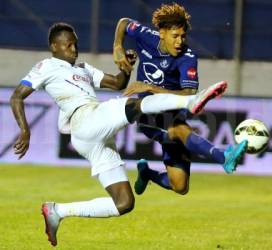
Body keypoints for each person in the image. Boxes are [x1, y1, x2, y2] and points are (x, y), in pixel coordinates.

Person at [10, 22, 224, 246]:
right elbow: (17, 97)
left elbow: (117, 83)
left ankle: (57, 211)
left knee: (124, 203)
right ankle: (190, 100)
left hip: (94, 137)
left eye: (75, 44)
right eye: (68, 45)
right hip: (84, 119)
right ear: (54, 47)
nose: (74, 49)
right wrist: (25, 130)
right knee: (134, 105)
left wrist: (126, 67)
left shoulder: (83, 68)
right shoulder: (46, 66)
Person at [113, 3, 248, 195]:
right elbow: (124, 23)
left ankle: (148, 174)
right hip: (147, 114)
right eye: (175, 36)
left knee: (180, 186)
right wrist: (117, 46)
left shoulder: (188, 57)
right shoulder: (146, 36)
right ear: (162, 33)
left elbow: (189, 95)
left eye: (183, 36)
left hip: (173, 113)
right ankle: (223, 157)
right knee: (178, 129)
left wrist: (150, 86)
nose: (179, 42)